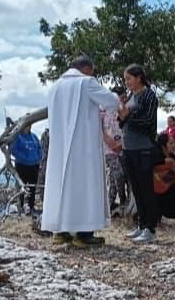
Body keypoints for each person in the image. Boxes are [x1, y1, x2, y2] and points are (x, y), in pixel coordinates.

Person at [41, 55, 120, 247]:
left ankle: (61, 231)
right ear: (86, 69)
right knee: (85, 186)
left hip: (60, 148)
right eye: (92, 72)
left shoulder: (55, 87)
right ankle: (84, 234)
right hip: (84, 147)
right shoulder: (86, 83)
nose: (93, 75)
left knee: (62, 187)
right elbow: (111, 100)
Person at [119, 63, 159, 244]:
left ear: (139, 77)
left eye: (129, 78)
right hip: (128, 149)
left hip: (143, 148)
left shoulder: (149, 95)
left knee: (146, 189)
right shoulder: (130, 97)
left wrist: (127, 116)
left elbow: (148, 120)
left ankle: (150, 228)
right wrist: (122, 116)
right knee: (136, 189)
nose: (127, 82)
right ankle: (141, 224)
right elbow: (122, 121)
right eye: (125, 79)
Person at [101, 87, 128, 215]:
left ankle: (110, 203)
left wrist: (121, 144)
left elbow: (127, 127)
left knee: (114, 177)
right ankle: (122, 200)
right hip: (109, 149)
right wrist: (109, 142)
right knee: (119, 174)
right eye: (121, 97)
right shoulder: (103, 109)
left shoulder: (123, 110)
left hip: (122, 148)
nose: (123, 100)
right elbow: (100, 128)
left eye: (124, 97)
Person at [10, 122, 42, 214]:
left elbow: (39, 148)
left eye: (30, 125)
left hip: (34, 165)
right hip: (22, 165)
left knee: (32, 187)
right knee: (22, 187)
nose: (29, 126)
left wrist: (37, 158)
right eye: (27, 125)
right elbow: (14, 150)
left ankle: (31, 207)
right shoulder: (18, 137)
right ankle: (20, 207)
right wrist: (24, 159)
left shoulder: (34, 137)